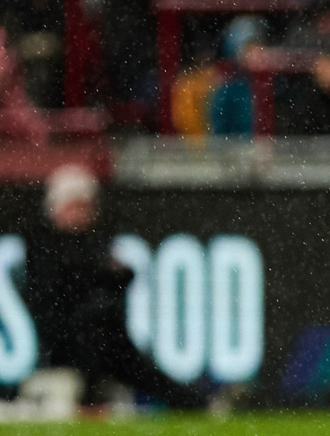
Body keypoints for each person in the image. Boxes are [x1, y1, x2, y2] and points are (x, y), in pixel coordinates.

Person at [24, 165, 207, 411]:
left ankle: (196, 403)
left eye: (85, 206)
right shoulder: (43, 245)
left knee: (130, 358)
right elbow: (62, 291)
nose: (81, 214)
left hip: (107, 344)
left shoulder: (93, 242)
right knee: (98, 332)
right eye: (74, 206)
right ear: (56, 208)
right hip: (65, 344)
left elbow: (116, 279)